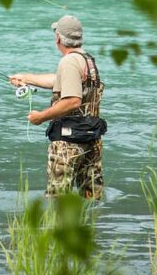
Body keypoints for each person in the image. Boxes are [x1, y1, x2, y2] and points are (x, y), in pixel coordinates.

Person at [10, 14, 105, 198]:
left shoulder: (68, 61)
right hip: (90, 138)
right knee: (92, 198)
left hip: (68, 143)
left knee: (58, 200)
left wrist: (40, 117)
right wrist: (26, 78)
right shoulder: (86, 59)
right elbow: (59, 80)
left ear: (59, 38)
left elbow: (73, 100)